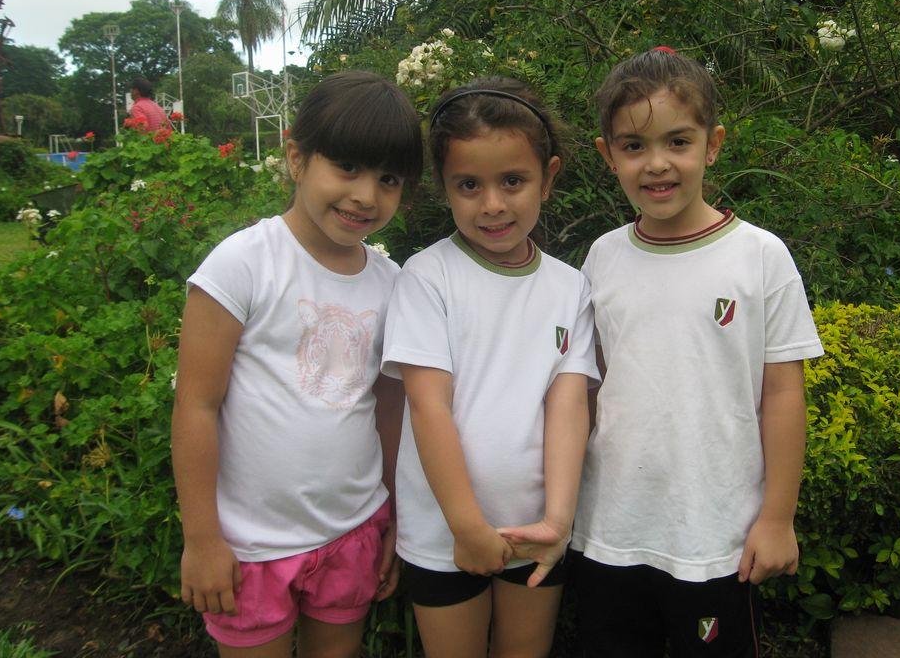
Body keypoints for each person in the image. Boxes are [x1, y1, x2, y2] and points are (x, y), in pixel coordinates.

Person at [569, 48, 825, 657]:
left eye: (678, 142)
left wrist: (777, 519)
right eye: (634, 146)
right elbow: (585, 388)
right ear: (608, 155)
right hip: (610, 528)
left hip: (716, 536)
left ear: (713, 145)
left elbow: (783, 395)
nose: (657, 164)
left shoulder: (761, 257)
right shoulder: (602, 256)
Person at [171, 71, 423, 658]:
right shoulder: (242, 264)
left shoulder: (392, 283)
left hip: (354, 530)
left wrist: (393, 512)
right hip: (250, 547)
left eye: (388, 179)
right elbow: (196, 406)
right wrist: (202, 541)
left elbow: (389, 410)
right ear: (296, 159)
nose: (366, 196)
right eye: (347, 168)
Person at [381, 77, 599, 657]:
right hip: (443, 532)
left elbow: (568, 404)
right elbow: (427, 407)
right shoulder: (427, 278)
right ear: (444, 186)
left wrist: (558, 521)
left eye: (513, 181)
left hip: (536, 530)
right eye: (469, 185)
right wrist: (467, 527)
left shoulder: (570, 287)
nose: (493, 204)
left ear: (548, 178)